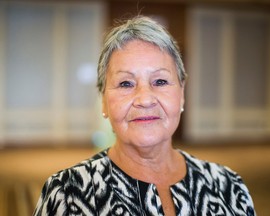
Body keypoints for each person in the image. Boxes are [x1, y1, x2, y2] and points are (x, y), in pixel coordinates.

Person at [33, 16, 256, 216]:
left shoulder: (229, 186)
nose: (145, 99)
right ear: (103, 101)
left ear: (182, 95)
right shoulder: (66, 194)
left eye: (160, 81)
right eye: (125, 83)